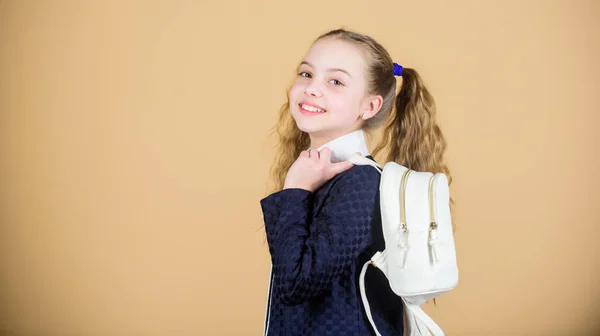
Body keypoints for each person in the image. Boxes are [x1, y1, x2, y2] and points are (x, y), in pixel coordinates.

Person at [260, 28, 451, 336]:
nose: (312, 88)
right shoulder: (320, 176)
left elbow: (294, 284)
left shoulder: (360, 183)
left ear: (370, 106)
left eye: (335, 81)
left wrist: (294, 190)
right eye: (306, 74)